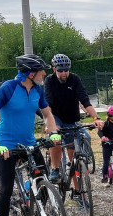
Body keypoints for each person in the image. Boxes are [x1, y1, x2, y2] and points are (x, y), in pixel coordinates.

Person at [0, 55, 61, 216]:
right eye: (42, 70)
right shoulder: (8, 88)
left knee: (42, 177)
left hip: (29, 142)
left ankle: (40, 211)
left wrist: (52, 132)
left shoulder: (37, 89)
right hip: (7, 145)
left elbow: (47, 114)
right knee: (6, 189)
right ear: (30, 72)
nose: (45, 73)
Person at [43, 54, 102, 184]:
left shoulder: (75, 79)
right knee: (55, 137)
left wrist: (96, 117)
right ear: (54, 69)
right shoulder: (49, 81)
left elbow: (85, 100)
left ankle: (78, 192)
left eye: (66, 70)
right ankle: (55, 169)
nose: (64, 73)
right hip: (55, 116)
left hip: (71, 118)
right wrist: (50, 125)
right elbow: (48, 104)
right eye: (60, 70)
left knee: (73, 159)